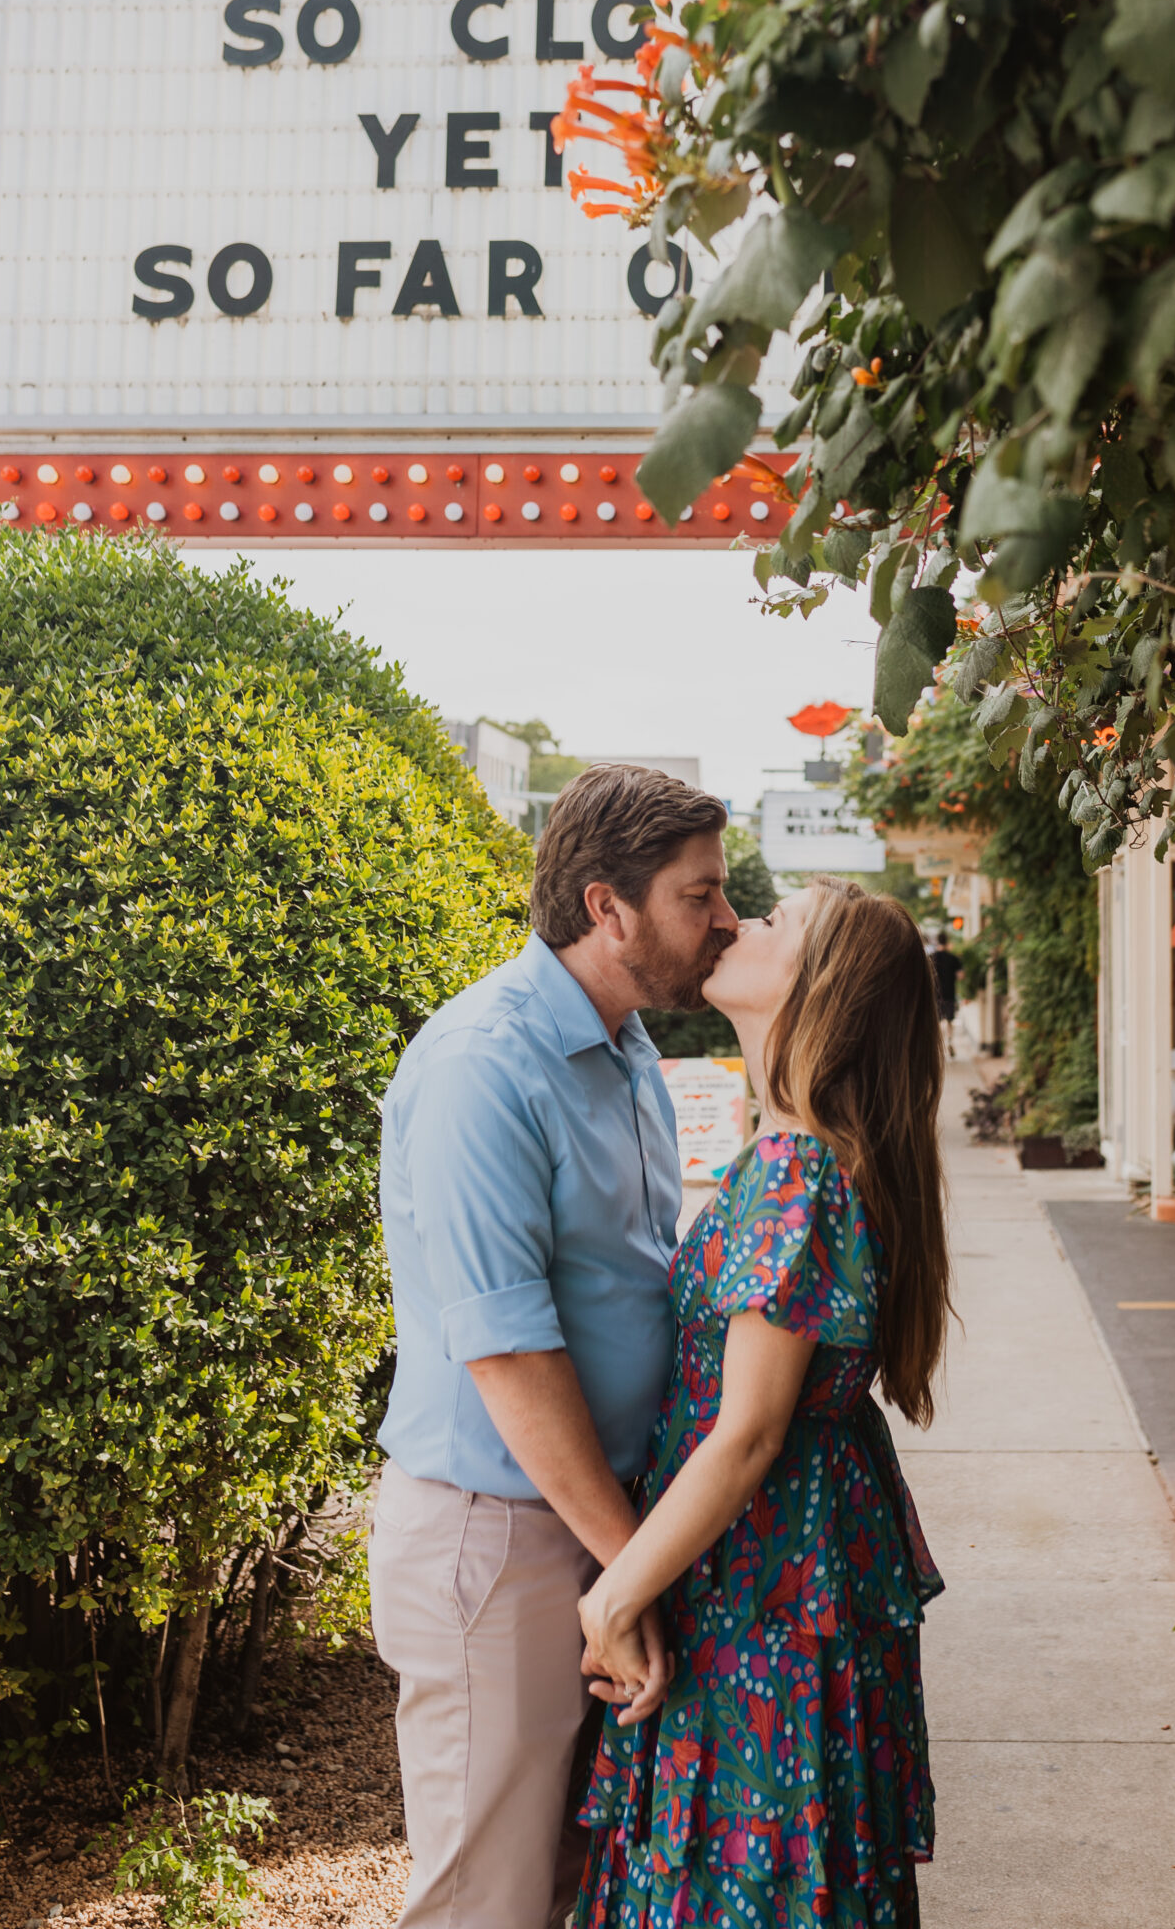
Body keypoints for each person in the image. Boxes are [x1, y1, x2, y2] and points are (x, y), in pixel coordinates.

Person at [369, 765, 740, 1929]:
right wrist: (627, 1565)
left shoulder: (625, 1043)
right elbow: (510, 1354)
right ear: (605, 907)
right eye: (701, 896)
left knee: (571, 1889)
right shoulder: (488, 1065)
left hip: (588, 1523)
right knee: (488, 1900)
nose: (726, 920)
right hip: (502, 1542)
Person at [574, 875, 951, 1929]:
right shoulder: (818, 1154)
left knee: (741, 1871)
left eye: (778, 921)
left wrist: (614, 1595)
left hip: (762, 1585)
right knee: (794, 1870)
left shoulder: (795, 1167)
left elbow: (747, 1432)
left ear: (820, 990)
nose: (739, 921)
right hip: (794, 1568)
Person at [929, 926, 960, 1056]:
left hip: (934, 995)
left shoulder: (931, 957)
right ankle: (949, 1042)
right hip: (949, 993)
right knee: (949, 1020)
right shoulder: (953, 958)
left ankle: (937, 1045)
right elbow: (961, 976)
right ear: (947, 942)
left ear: (937, 941)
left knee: (936, 1022)